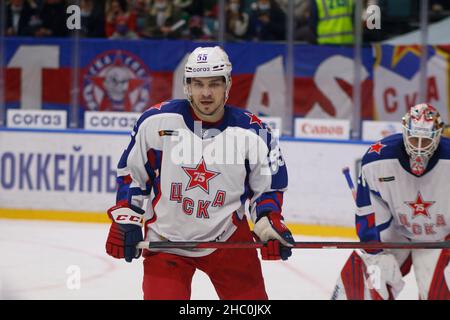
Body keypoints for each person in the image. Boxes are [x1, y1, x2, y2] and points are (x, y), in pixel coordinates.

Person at [105, 46, 294, 300]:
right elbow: (132, 175)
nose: (206, 93)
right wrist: (126, 217)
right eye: (198, 84)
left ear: (227, 84)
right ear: (187, 86)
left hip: (229, 241)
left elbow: (267, 189)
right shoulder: (155, 123)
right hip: (167, 242)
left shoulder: (254, 133)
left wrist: (268, 223)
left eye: (214, 84)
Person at [332, 103, 450, 300]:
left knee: (439, 293)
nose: (419, 149)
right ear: (405, 133)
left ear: (438, 136)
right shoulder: (377, 160)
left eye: (425, 142)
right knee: (364, 284)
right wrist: (373, 250)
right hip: (395, 234)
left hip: (443, 238)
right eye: (414, 139)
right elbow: (367, 211)